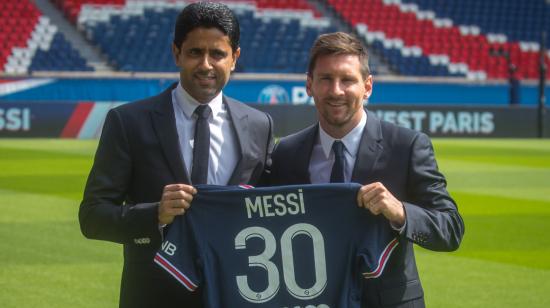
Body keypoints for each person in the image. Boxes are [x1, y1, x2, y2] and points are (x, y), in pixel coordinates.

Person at [79, 2, 273, 308]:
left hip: (236, 295)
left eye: (218, 54)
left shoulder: (259, 126)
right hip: (154, 296)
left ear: (234, 58)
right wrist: (155, 214)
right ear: (177, 53)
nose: (206, 64)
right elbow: (92, 217)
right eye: (195, 52)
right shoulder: (129, 122)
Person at [268, 32, 464, 307]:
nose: (336, 91)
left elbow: (451, 229)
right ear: (309, 85)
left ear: (367, 86)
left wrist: (401, 212)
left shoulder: (407, 146)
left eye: (347, 80)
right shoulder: (285, 153)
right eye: (326, 79)